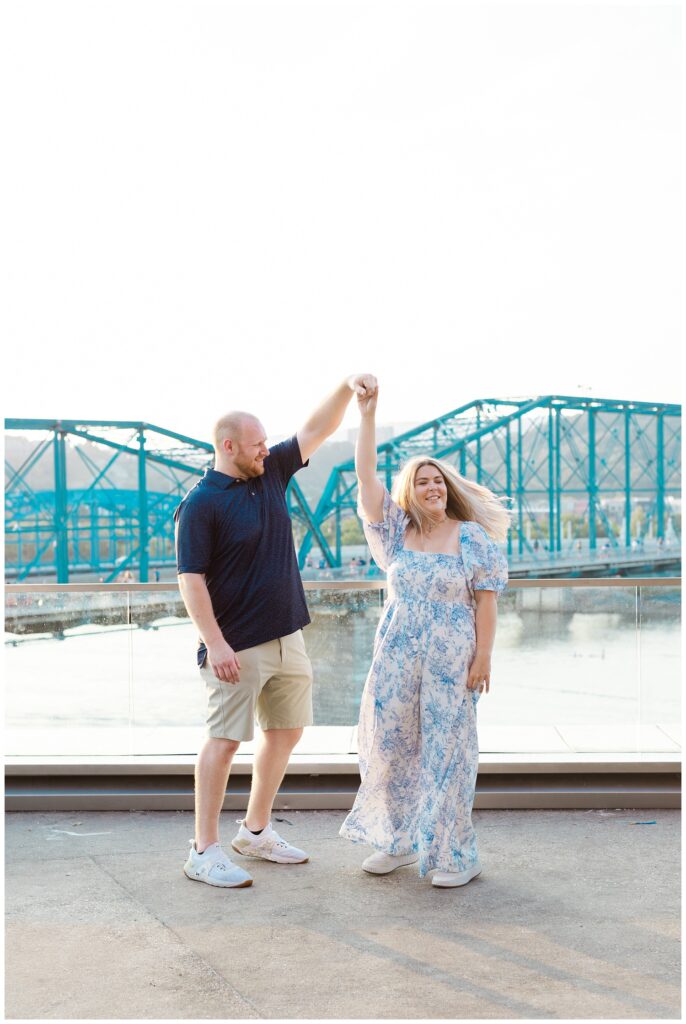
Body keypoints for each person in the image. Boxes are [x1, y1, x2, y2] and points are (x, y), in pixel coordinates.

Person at [175, 374, 377, 889]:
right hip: (236, 645)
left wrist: (346, 389)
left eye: (267, 442)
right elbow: (190, 579)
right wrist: (216, 642)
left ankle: (256, 831)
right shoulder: (200, 504)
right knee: (222, 742)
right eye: (257, 444)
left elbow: (318, 427)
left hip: (289, 634)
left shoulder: (270, 473)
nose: (267, 449)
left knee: (285, 732)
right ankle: (203, 849)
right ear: (228, 446)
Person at [339, 382, 509, 887]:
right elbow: (365, 475)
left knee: (447, 751)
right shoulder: (395, 532)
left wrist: (483, 659)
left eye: (438, 480)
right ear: (409, 492)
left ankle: (457, 854)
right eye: (421, 482)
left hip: (451, 659)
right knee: (391, 745)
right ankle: (397, 841)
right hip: (396, 655)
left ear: (448, 487)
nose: (432, 487)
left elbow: (487, 601)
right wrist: (368, 414)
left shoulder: (470, 536)